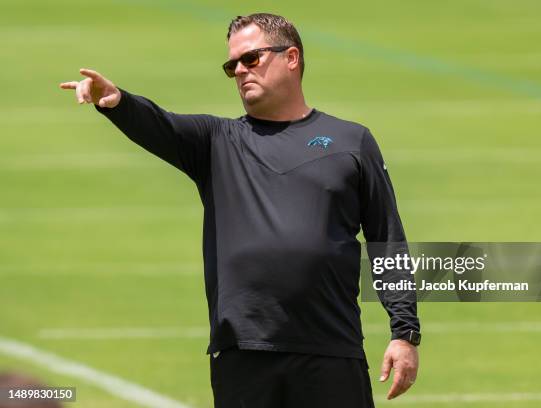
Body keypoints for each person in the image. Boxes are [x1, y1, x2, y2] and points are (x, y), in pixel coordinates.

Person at [60, 13, 420, 408]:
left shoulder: (351, 141)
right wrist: (117, 102)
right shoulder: (218, 142)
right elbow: (160, 124)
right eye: (232, 65)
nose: (240, 71)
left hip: (331, 350)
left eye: (251, 59)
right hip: (243, 354)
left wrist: (404, 333)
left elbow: (387, 241)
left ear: (292, 57)